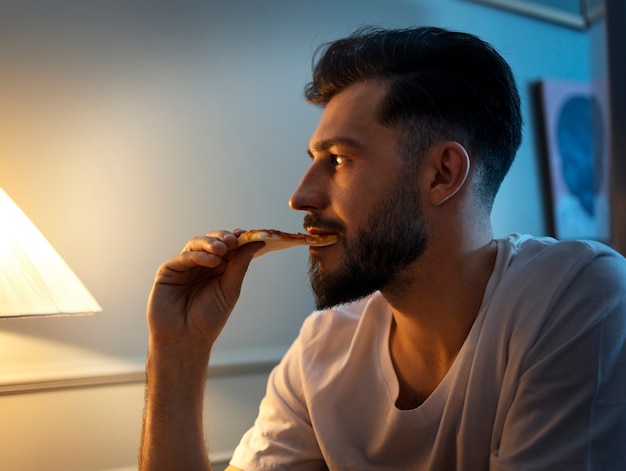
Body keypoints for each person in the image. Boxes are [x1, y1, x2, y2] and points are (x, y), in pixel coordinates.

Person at [139, 26, 626, 470]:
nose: (300, 197)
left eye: (339, 159)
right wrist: (178, 351)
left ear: (442, 175)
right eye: (315, 160)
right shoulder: (321, 348)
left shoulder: (577, 297)